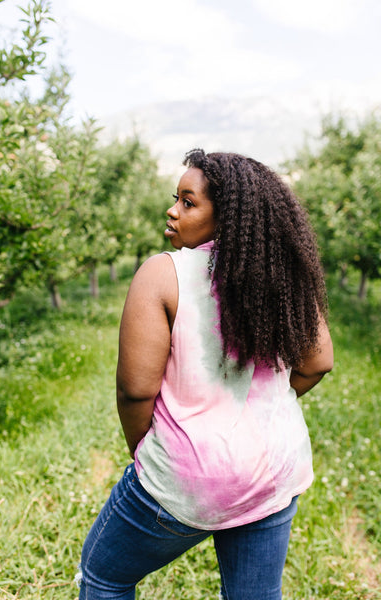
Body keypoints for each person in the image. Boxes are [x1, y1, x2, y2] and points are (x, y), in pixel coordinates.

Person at [77, 149, 333, 600]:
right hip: (274, 469)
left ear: (229, 217)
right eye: (176, 199)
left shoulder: (163, 275)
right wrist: (261, 408)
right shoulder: (282, 277)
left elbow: (135, 392)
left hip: (190, 476)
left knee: (105, 577)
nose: (172, 211)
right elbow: (317, 363)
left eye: (189, 202)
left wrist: (148, 451)